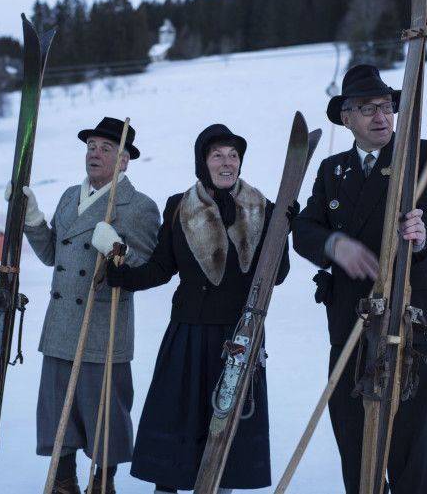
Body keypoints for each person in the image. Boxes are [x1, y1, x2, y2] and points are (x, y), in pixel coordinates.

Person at [291, 65, 427, 494]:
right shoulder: (332, 170)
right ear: (346, 118)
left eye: (385, 106)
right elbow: (304, 230)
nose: (381, 116)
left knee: (409, 439)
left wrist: (423, 233)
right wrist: (335, 245)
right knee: (354, 435)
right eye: (367, 108)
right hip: (350, 321)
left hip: (408, 320)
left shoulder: (420, 156)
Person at [105, 123, 291, 494]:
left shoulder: (262, 206)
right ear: (202, 161)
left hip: (240, 335)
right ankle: (168, 486)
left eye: (233, 156)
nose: (227, 163)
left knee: (228, 416)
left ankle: (220, 485)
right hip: (189, 330)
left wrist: (283, 233)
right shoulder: (179, 206)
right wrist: (123, 276)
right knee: (179, 414)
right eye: (217, 155)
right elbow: (162, 267)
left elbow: (277, 276)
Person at [18, 117, 160, 494]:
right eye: (91, 147)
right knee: (56, 413)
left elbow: (147, 270)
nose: (94, 154)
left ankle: (102, 485)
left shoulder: (139, 206)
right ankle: (63, 483)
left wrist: (118, 251)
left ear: (125, 160)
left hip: (103, 328)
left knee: (104, 416)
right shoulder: (68, 195)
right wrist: (31, 219)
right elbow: (51, 253)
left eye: (106, 149)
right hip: (62, 325)